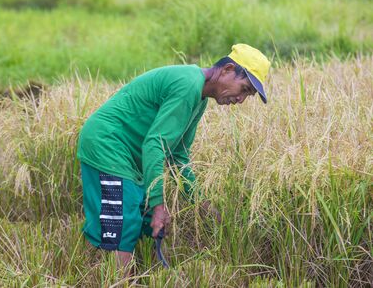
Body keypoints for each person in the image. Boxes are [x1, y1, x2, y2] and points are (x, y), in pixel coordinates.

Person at [77, 44, 271, 267]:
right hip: (107, 144)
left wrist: (201, 203)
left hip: (127, 153)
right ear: (227, 69)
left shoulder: (199, 99)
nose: (241, 100)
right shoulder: (187, 84)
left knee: (142, 220)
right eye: (244, 89)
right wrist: (159, 205)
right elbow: (155, 144)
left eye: (248, 95)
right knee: (124, 222)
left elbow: (177, 156)